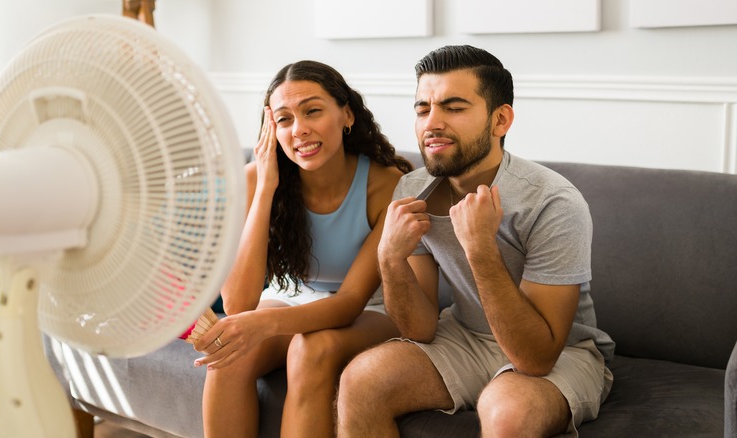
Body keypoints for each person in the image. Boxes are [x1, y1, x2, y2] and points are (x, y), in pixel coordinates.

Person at [336, 45, 615, 437]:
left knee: (507, 413)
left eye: (454, 107)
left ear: (500, 120)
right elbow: (419, 329)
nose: (432, 123)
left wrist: (480, 249)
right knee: (361, 381)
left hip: (560, 352)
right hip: (463, 336)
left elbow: (535, 357)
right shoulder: (412, 189)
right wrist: (390, 258)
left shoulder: (553, 202)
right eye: (422, 109)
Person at [192, 60, 412, 438]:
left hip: (373, 307)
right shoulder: (256, 179)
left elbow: (349, 302)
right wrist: (265, 189)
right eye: (284, 119)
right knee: (229, 356)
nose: (300, 130)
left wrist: (263, 324)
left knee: (310, 350)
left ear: (346, 115)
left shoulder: (385, 184)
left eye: (312, 111)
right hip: (293, 296)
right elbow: (238, 305)